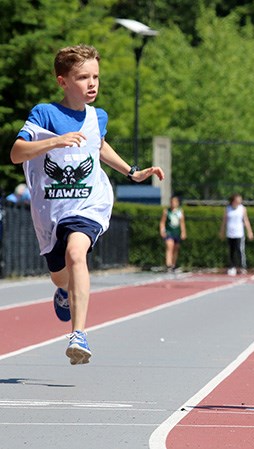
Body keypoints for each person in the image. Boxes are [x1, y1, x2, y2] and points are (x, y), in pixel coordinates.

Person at [9, 44, 164, 364]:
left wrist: (132, 172)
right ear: (62, 81)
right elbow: (16, 153)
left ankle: (78, 334)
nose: (92, 83)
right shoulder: (45, 113)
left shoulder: (99, 116)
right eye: (82, 77)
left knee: (76, 253)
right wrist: (54, 140)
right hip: (50, 208)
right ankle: (64, 292)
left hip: (88, 204)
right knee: (59, 275)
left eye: (95, 76)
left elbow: (99, 145)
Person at [220, 193, 254, 276]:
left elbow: (246, 220)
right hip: (230, 233)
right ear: (234, 200)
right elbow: (224, 221)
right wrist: (222, 231)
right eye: (238, 199)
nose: (240, 200)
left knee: (240, 250)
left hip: (239, 233)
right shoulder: (227, 209)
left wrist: (249, 231)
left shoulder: (242, 209)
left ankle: (242, 267)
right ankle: (232, 267)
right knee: (231, 251)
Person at [159, 195, 186, 273]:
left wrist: (183, 232)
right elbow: (162, 222)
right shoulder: (166, 211)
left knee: (176, 248)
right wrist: (162, 230)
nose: (173, 203)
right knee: (169, 246)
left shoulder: (180, 212)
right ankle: (169, 265)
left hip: (176, 232)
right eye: (171, 202)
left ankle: (173, 264)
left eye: (174, 202)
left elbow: (182, 223)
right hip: (169, 232)